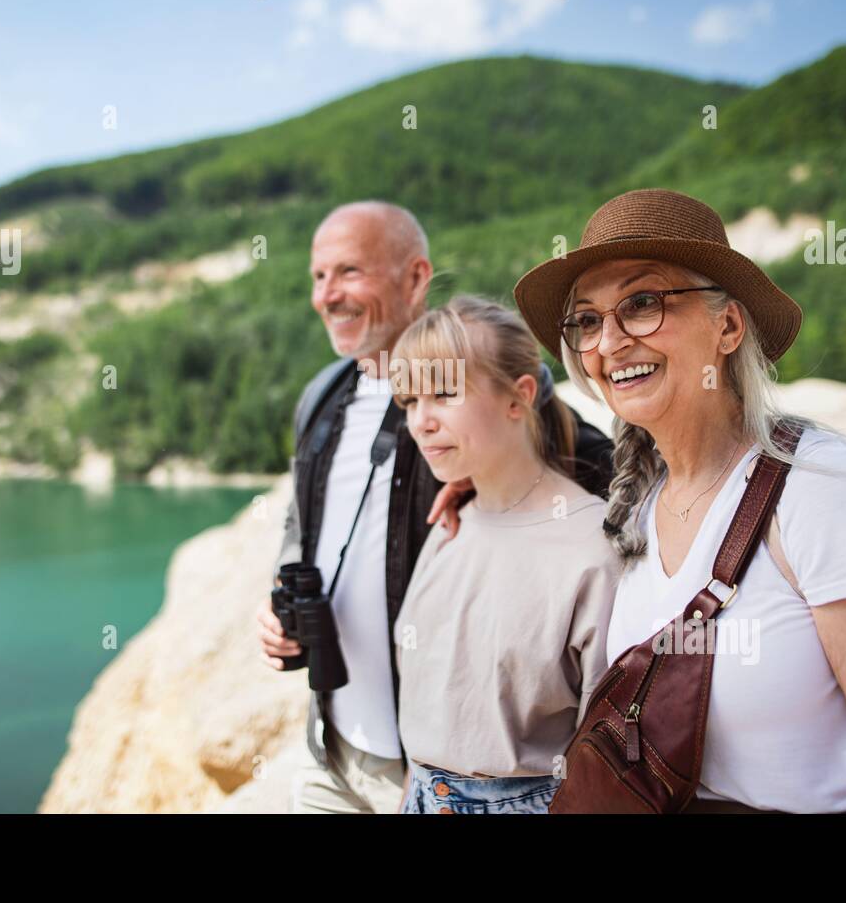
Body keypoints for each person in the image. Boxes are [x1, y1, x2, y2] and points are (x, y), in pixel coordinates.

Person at [512, 187, 846, 812]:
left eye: (643, 303)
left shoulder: (825, 490)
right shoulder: (639, 505)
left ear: (728, 325)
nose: (610, 341)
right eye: (588, 320)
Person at [255, 200, 616, 813]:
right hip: (335, 743)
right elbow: (303, 519)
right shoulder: (322, 394)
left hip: (434, 769)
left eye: (348, 272)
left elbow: (606, 476)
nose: (327, 295)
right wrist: (280, 596)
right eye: (318, 277)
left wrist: (493, 480)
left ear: (416, 277)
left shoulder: (490, 393)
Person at [387, 295, 623, 814]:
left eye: (443, 392)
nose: (420, 422)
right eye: (408, 401)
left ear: (519, 397)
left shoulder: (591, 551)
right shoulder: (450, 525)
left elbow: (606, 760)